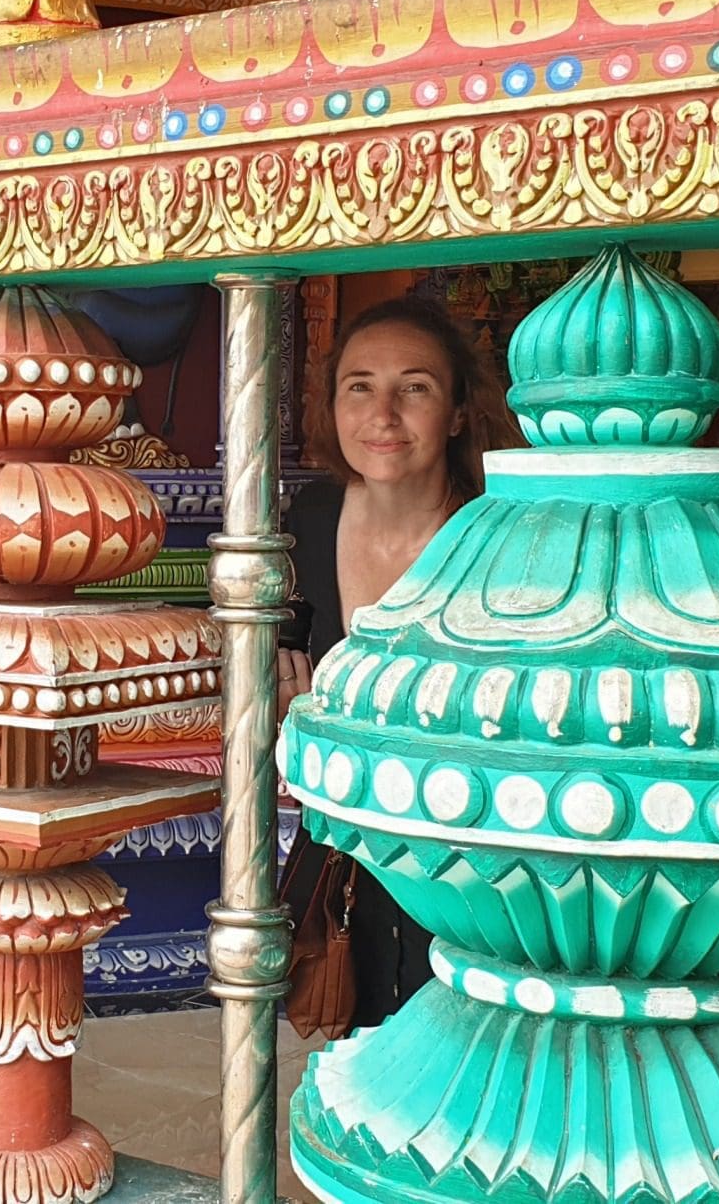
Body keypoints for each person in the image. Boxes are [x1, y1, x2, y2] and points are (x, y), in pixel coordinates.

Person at [278, 294, 518, 1032]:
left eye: (413, 387)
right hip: (349, 842)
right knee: (363, 1039)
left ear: (455, 412)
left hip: (469, 852)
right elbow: (290, 650)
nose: (382, 414)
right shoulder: (310, 520)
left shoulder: (494, 530)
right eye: (360, 386)